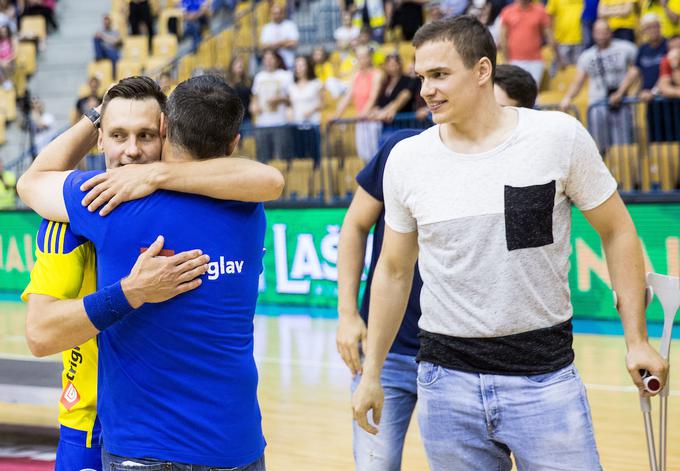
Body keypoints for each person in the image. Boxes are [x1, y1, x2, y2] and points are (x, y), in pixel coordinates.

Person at [351, 16, 667, 470]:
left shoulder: (557, 136)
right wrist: (372, 372)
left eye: (439, 75)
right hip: (445, 384)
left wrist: (636, 339)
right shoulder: (407, 159)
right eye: (421, 77)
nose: (425, 91)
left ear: (482, 71)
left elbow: (617, 231)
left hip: (546, 380)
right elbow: (394, 270)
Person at [18, 75, 284, 470]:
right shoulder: (247, 205)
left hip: (139, 446)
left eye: (145, 135)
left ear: (164, 129)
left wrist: (148, 170)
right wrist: (131, 290)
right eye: (118, 135)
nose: (131, 153)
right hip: (99, 424)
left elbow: (31, 181)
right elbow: (270, 179)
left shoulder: (100, 205)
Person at [338, 61, 539, 471]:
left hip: (464, 360)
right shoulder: (403, 151)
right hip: (389, 351)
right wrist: (346, 313)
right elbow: (355, 226)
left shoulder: (525, 172)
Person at [560, 19, 637, 152]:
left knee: (623, 147)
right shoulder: (587, 56)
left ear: (610, 32)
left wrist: (622, 92)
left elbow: (637, 70)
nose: (601, 35)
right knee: (599, 146)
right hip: (597, 104)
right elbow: (578, 81)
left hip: (620, 103)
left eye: (604, 31)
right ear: (593, 34)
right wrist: (567, 97)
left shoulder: (626, 48)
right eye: (598, 32)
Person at [334, 45, 383, 163]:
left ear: (369, 58)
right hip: (360, 120)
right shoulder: (355, 76)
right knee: (363, 156)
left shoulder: (377, 74)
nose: (361, 60)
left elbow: (373, 96)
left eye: (364, 57)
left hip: (372, 120)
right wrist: (336, 115)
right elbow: (347, 97)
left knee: (374, 156)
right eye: (359, 57)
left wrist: (363, 114)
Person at [499, 0, 562, 87]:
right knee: (517, 94)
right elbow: (503, 39)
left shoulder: (540, 11)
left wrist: (559, 59)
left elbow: (550, 37)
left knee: (532, 92)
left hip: (535, 61)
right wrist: (506, 60)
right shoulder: (507, 11)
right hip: (514, 60)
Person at [251, 49, 294, 162]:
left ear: (277, 60)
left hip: (280, 122)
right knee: (263, 159)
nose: (268, 61)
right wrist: (254, 105)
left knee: (281, 157)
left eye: (271, 59)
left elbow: (292, 99)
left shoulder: (285, 76)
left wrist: (279, 99)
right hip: (262, 123)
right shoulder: (259, 77)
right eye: (266, 59)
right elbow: (255, 97)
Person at [259, 3, 300, 70]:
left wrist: (273, 44)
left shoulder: (290, 25)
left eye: (279, 13)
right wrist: (284, 41)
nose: (277, 15)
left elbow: (294, 43)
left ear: (283, 14)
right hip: (271, 65)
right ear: (271, 15)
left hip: (289, 63)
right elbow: (264, 46)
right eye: (275, 13)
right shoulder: (267, 28)